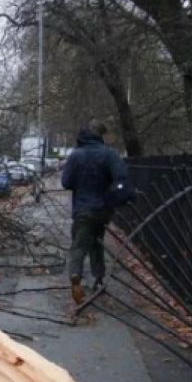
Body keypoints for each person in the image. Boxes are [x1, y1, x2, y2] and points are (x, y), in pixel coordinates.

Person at [60, 120, 129, 305]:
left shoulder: (76, 155)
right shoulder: (110, 154)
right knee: (97, 243)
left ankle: (75, 275)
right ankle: (98, 279)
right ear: (100, 135)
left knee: (79, 245)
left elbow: (66, 182)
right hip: (103, 208)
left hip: (83, 209)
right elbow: (121, 177)